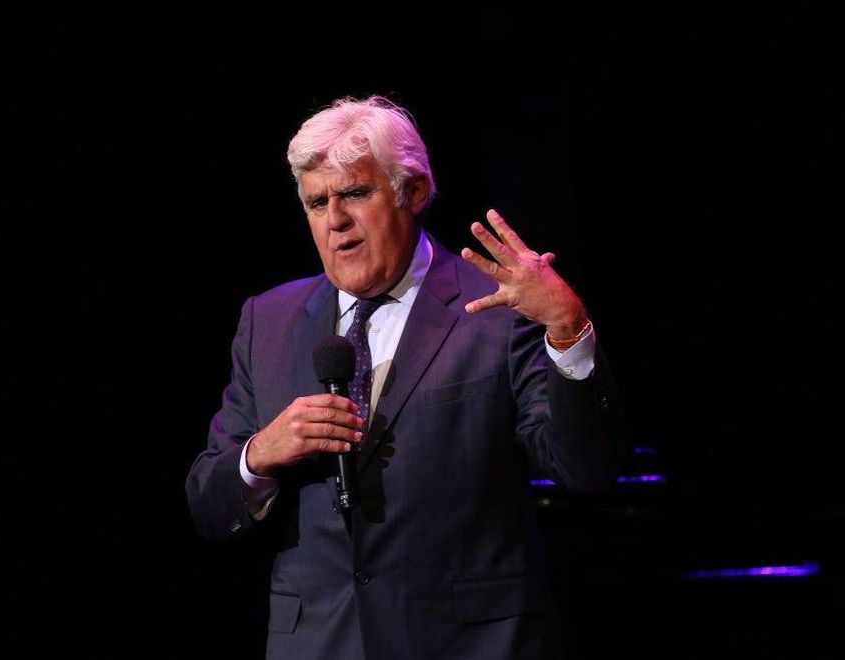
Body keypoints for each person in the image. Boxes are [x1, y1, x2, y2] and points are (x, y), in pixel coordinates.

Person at [186, 95, 624, 659]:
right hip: (320, 643)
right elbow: (208, 504)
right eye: (317, 203)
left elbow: (584, 469)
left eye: (355, 193)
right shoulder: (265, 321)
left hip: (470, 644)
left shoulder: (495, 306)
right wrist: (258, 455)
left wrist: (567, 328)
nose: (335, 219)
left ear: (412, 192)